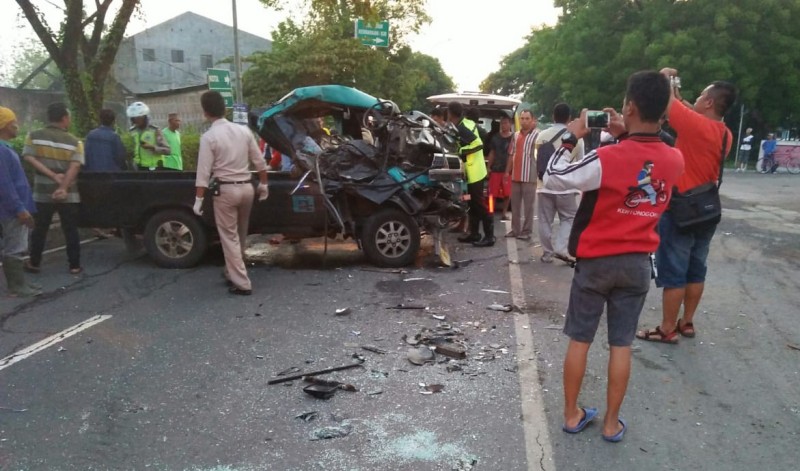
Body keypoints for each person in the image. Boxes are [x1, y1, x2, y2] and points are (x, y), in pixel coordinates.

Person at [544, 71, 684, 443]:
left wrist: (573, 133)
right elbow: (653, 153)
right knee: (621, 345)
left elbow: (554, 176)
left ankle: (572, 415)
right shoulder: (675, 159)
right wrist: (627, 132)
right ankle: (610, 424)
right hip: (637, 265)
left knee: (580, 340)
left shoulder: (606, 157)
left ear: (630, 107)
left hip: (596, 263)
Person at [636, 69, 736, 344]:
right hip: (707, 209)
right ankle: (687, 321)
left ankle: (666, 328)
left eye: (703, 94)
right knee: (697, 267)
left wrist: (664, 78)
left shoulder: (695, 126)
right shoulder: (725, 133)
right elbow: (684, 109)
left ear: (709, 102)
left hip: (681, 209)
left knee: (674, 270)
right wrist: (678, 95)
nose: (698, 97)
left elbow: (670, 105)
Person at [194, 91, 269, 296]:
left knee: (229, 238)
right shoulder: (244, 131)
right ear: (224, 108)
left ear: (205, 112)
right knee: (240, 234)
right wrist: (263, 184)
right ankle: (232, 270)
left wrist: (198, 200)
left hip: (226, 191)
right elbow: (259, 161)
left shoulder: (209, 137)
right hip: (247, 188)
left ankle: (241, 282)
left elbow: (203, 173)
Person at [22, 102, 85, 275]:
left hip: (42, 192)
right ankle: (74, 265)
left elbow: (29, 157)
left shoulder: (33, 136)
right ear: (64, 118)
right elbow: (75, 167)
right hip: (69, 194)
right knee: (70, 229)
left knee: (40, 228)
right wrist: (63, 187)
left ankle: (34, 263)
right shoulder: (75, 142)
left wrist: (51, 175)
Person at [536, 103, 584, 262]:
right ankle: (561, 248)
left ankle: (547, 254)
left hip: (545, 185)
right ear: (569, 118)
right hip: (567, 187)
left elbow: (536, 159)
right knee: (569, 218)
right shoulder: (577, 138)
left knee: (544, 220)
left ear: (553, 116)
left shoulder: (541, 136)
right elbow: (580, 162)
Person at [0, 107, 40, 296]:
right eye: (14, 121)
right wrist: (19, 209)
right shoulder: (1, 151)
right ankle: (16, 286)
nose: (17, 125)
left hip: (14, 207)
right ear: (5, 125)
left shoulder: (5, 148)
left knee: (17, 244)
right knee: (14, 245)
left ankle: (20, 284)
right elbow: (5, 184)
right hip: (11, 209)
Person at [447, 101, 493, 247]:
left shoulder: (462, 127)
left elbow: (478, 143)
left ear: (450, 113)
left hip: (475, 171)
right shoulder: (463, 124)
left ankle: (489, 237)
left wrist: (460, 152)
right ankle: (474, 234)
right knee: (471, 203)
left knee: (479, 204)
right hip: (472, 170)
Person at [505, 109, 539, 240]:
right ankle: (515, 230)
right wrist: (507, 172)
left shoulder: (537, 135)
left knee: (529, 206)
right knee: (515, 205)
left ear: (532, 120)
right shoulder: (515, 135)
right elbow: (511, 154)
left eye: (527, 118)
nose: (524, 121)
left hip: (530, 175)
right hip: (516, 175)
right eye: (522, 118)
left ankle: (527, 231)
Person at [126, 101, 171, 171]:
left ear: (145, 117)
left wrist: (152, 147)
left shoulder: (155, 130)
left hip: (154, 168)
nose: (136, 120)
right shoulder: (132, 131)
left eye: (139, 118)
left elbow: (168, 151)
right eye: (134, 118)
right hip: (138, 168)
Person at [485, 115, 514, 220]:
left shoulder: (514, 137)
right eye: (502, 123)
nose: (504, 125)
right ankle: (491, 212)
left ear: (510, 124)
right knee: (492, 193)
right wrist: (488, 167)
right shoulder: (495, 137)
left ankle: (504, 213)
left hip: (508, 170)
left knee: (507, 194)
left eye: (506, 123)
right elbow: (492, 153)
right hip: (496, 169)